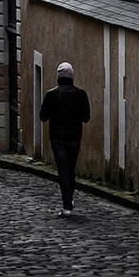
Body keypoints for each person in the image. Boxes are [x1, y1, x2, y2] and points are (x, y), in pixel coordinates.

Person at [39, 61, 90, 217]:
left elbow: (42, 116)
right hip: (74, 138)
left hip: (57, 138)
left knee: (63, 169)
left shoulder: (51, 94)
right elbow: (86, 117)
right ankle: (69, 200)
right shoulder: (81, 94)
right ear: (72, 77)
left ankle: (67, 204)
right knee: (70, 169)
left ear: (58, 78)